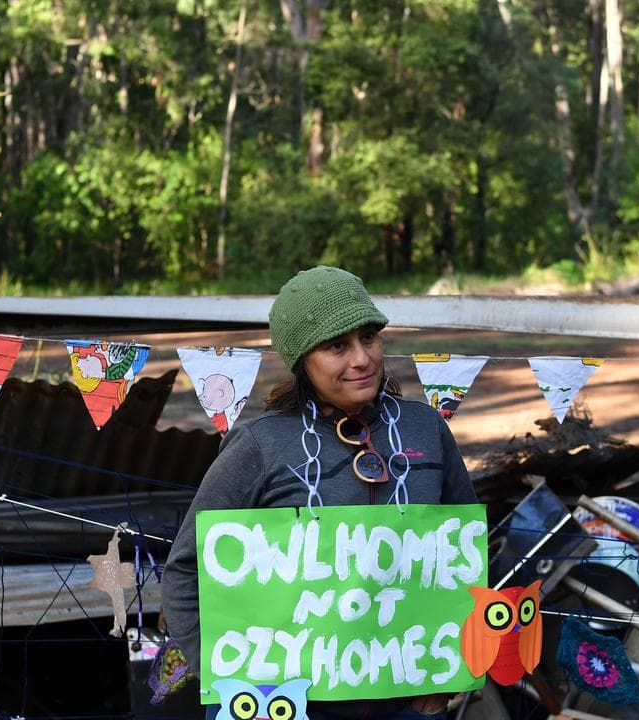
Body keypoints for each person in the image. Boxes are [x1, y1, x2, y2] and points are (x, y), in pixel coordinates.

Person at [162, 266, 478, 719]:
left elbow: (463, 557)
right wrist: (228, 680)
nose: (362, 359)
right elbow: (184, 569)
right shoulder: (261, 445)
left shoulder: (426, 429)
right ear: (302, 361)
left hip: (407, 702)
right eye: (337, 346)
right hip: (283, 707)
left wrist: (451, 672)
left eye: (368, 337)